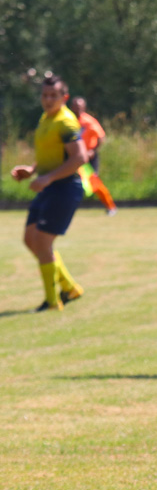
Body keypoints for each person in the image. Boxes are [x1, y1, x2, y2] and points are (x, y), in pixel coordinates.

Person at [11, 75, 87, 312]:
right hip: (49, 187)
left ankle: (53, 302)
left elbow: (80, 158)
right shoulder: (46, 118)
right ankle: (70, 286)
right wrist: (32, 170)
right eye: (44, 95)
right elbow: (50, 154)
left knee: (42, 242)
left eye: (53, 95)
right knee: (30, 239)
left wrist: (48, 178)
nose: (48, 100)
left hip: (64, 188)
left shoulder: (66, 122)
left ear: (64, 97)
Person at [68, 97, 118, 216]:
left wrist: (92, 151)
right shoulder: (68, 120)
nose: (77, 109)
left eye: (80, 107)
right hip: (73, 157)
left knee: (94, 183)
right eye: (75, 106)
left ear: (84, 108)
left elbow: (101, 137)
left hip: (88, 158)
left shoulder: (89, 121)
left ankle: (111, 207)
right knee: (69, 182)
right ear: (71, 107)